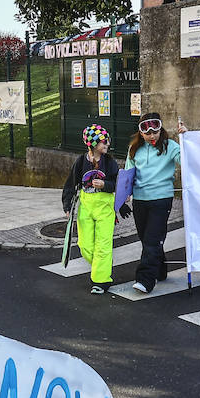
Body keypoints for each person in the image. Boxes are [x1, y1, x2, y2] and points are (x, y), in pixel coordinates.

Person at [124, 113, 186, 293]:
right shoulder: (134, 149)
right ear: (140, 133)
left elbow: (187, 161)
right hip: (140, 200)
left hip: (161, 199)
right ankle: (160, 270)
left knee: (152, 239)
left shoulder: (170, 146)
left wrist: (186, 140)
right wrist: (124, 196)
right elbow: (128, 173)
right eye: (147, 132)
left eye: (155, 131)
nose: (152, 136)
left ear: (161, 130)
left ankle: (146, 279)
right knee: (147, 239)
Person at [62, 124, 120, 294]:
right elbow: (70, 184)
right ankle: (101, 265)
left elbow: (118, 183)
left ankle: (101, 281)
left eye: (107, 141)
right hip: (86, 206)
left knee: (103, 244)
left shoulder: (109, 162)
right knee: (85, 244)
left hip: (105, 206)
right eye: (103, 142)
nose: (107, 145)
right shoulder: (80, 162)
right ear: (93, 144)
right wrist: (67, 206)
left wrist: (105, 184)